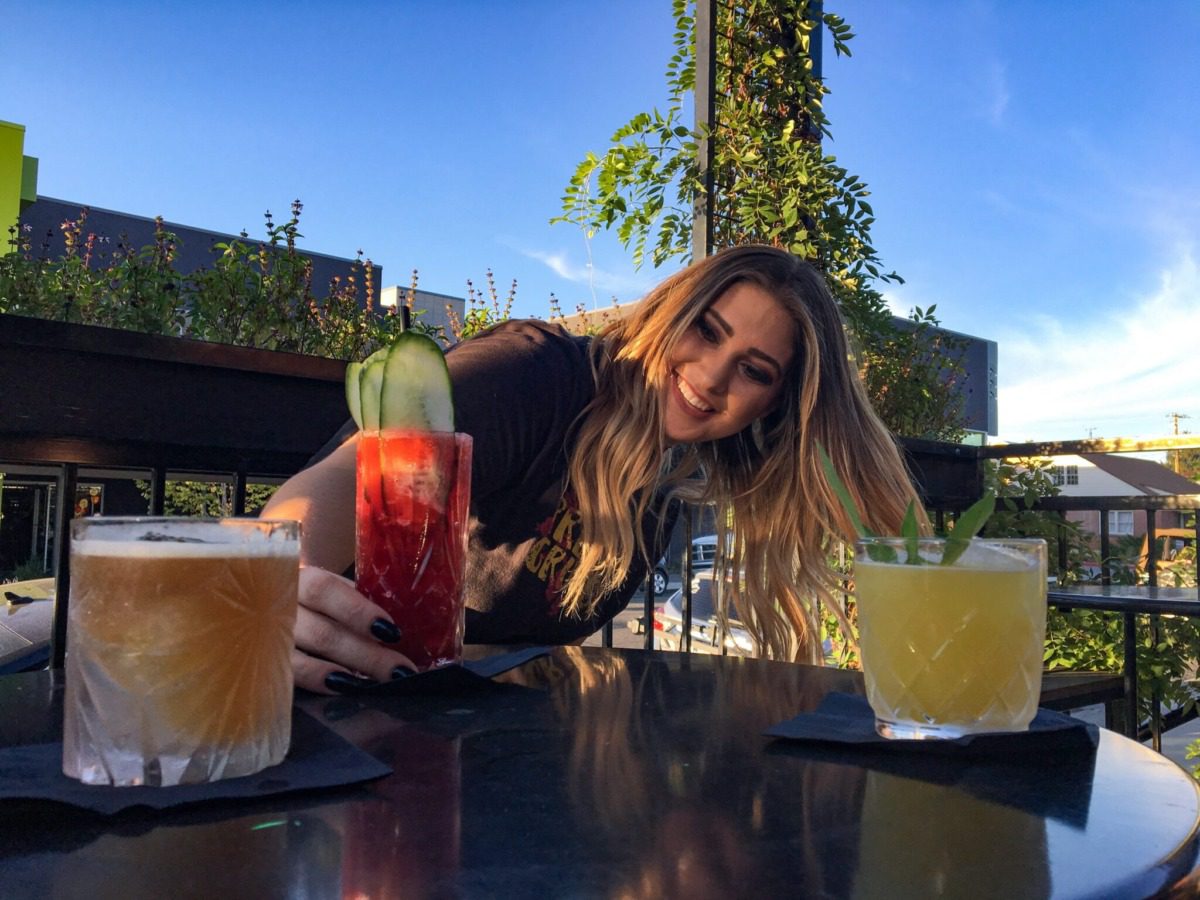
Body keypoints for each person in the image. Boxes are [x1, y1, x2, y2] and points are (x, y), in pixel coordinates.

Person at [262, 244, 920, 694]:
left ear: (775, 404)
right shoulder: (534, 376)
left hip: (468, 731)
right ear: (670, 313)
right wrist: (275, 594)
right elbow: (334, 488)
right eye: (706, 330)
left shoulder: (680, 459)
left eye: (755, 370)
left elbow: (904, 530)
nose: (713, 376)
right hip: (331, 697)